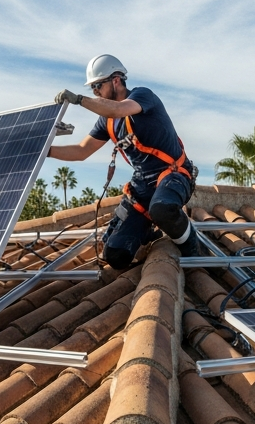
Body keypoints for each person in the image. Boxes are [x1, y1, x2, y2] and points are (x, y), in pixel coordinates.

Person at [50, 54, 201, 269]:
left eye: (97, 86)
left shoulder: (142, 96)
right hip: (143, 185)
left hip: (173, 174)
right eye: (92, 88)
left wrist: (79, 100)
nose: (95, 92)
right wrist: (45, 151)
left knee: (162, 209)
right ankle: (145, 230)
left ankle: (192, 249)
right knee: (115, 254)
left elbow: (119, 109)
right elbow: (82, 151)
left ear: (116, 80)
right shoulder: (107, 121)